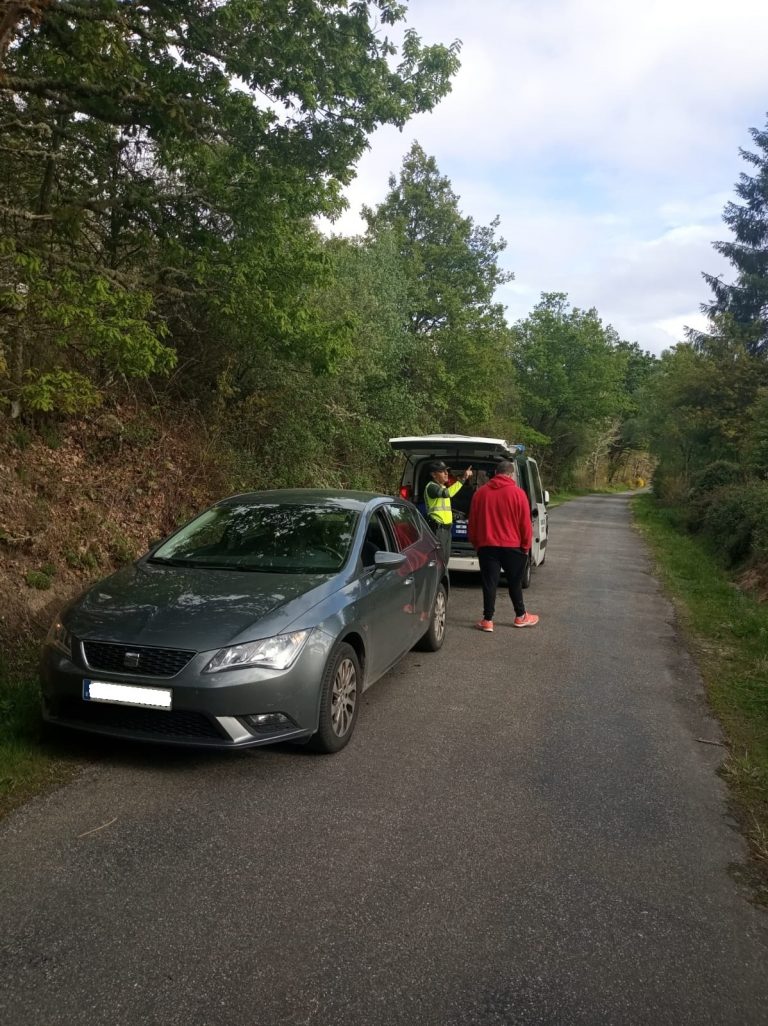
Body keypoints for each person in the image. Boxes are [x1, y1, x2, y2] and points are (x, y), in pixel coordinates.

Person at [468, 459, 539, 632]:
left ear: (495, 473)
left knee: (489, 583)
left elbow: (473, 522)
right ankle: (520, 616)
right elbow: (525, 524)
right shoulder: (518, 493)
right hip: (513, 546)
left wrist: (476, 543)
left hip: (487, 546)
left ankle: (488, 620)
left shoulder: (480, 493)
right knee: (514, 582)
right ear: (510, 474)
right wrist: (525, 546)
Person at [424, 460, 473, 564]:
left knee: (444, 562)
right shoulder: (431, 487)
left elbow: (443, 508)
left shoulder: (442, 487)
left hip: (446, 530)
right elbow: (447, 494)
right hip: (438, 530)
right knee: (438, 562)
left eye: (446, 471)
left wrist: (455, 516)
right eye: (442, 471)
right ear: (433, 474)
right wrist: (463, 479)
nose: (447, 474)